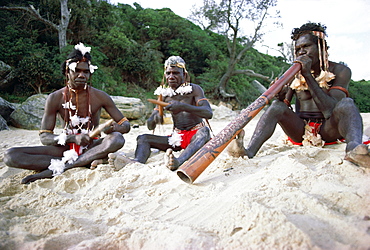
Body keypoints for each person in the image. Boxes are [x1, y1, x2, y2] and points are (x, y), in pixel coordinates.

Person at [231, 22, 369, 168]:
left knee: (347, 104)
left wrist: (307, 75)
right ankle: (249, 150)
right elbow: (283, 106)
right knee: (276, 106)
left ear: (322, 47)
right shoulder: (293, 73)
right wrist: (280, 95)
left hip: (330, 130)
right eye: (298, 49)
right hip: (301, 132)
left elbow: (330, 110)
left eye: (306, 47)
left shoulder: (341, 70)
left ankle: (353, 149)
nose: (301, 52)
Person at [4, 43, 131, 184]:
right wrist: (71, 139)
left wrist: (114, 129)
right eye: (76, 71)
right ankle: (87, 161)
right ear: (67, 72)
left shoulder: (101, 96)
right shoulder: (55, 97)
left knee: (117, 138)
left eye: (86, 71)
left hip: (93, 145)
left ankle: (62, 167)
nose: (81, 75)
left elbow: (125, 124)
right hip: (64, 148)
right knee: (11, 155)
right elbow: (45, 137)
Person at [109, 56, 213, 171]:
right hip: (176, 137)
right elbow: (150, 126)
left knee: (204, 132)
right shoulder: (164, 94)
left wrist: (183, 106)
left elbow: (208, 113)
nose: (171, 76)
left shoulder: (195, 90)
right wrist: (155, 118)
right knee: (143, 138)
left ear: (184, 75)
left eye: (175, 73)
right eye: (168, 73)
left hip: (195, 135)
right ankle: (137, 161)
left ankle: (179, 161)